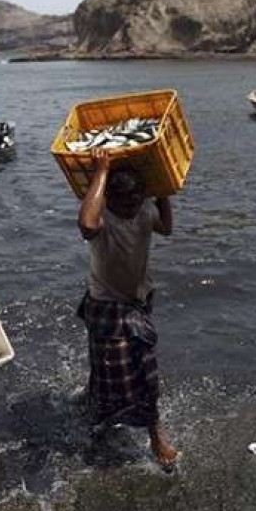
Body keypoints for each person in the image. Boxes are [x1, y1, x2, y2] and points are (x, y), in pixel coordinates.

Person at [77, 148, 178, 469]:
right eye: (124, 201)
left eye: (137, 198)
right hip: (107, 306)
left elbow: (166, 227)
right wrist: (101, 172)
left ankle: (154, 432)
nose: (131, 206)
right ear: (109, 197)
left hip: (138, 302)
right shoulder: (102, 219)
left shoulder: (144, 210)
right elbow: (86, 224)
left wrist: (163, 192)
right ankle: (98, 416)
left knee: (145, 373)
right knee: (107, 370)